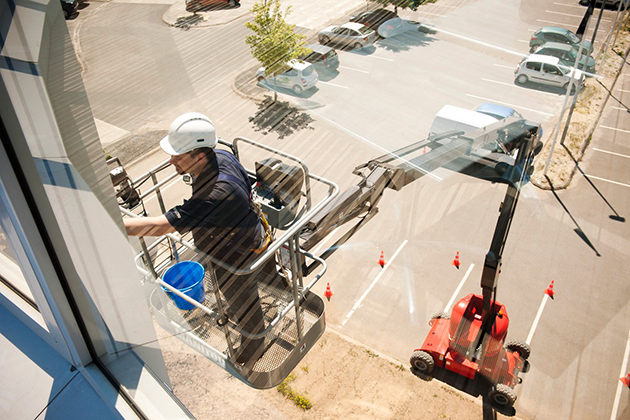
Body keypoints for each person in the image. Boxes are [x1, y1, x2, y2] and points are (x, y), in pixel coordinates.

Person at [124, 112, 268, 365]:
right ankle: (278, 283)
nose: (171, 162)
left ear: (199, 156)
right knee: (261, 282)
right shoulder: (221, 156)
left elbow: (159, 227)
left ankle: (254, 346)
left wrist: (113, 224)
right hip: (248, 232)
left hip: (235, 256)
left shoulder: (217, 193)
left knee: (243, 303)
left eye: (177, 157)